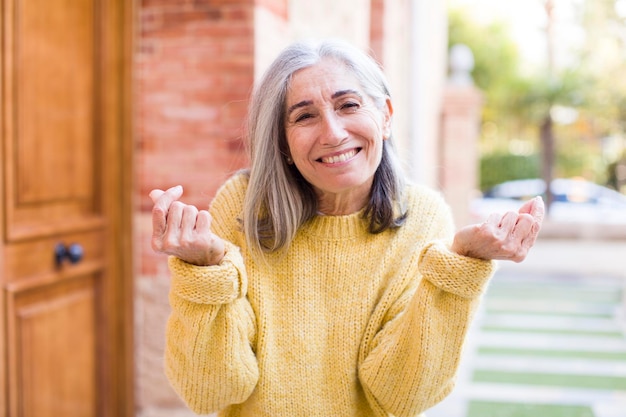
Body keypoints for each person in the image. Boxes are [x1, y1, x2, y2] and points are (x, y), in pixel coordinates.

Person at [149, 40, 544, 417]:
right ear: (283, 143)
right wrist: (205, 272)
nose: (333, 133)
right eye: (304, 116)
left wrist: (461, 267)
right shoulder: (243, 207)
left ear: (386, 116)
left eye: (348, 105)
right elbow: (211, 391)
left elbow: (404, 395)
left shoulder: (424, 217)